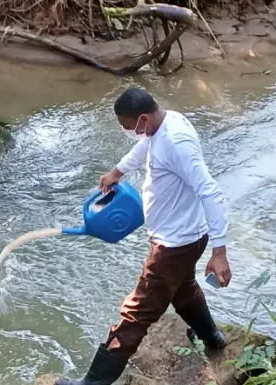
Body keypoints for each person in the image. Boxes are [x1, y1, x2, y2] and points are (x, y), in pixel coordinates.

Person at [55, 87, 231, 385]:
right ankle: (212, 337)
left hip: (175, 244)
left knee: (136, 311)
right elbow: (145, 147)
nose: (128, 132)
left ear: (144, 118)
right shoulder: (165, 123)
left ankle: (95, 382)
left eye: (128, 126)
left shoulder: (177, 143)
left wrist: (220, 252)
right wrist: (117, 171)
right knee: (183, 290)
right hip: (183, 236)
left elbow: (210, 191)